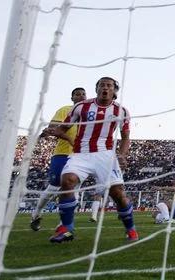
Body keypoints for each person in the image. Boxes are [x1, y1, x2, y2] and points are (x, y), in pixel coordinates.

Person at [45, 77, 138, 243]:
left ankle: (130, 229)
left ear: (114, 91)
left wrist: (122, 155)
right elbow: (63, 128)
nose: (105, 88)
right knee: (67, 181)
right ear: (96, 89)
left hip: (105, 155)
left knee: (117, 194)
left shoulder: (121, 111)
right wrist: (53, 130)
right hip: (81, 153)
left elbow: (125, 137)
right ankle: (67, 228)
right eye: (102, 85)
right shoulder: (81, 107)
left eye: (109, 85)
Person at [30, 88, 87, 231]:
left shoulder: (90, 114)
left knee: (75, 189)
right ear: (72, 98)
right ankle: (36, 213)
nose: (81, 96)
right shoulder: (65, 110)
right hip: (63, 153)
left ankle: (64, 223)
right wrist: (53, 134)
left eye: (83, 94)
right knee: (54, 187)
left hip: (81, 156)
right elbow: (53, 128)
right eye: (77, 94)